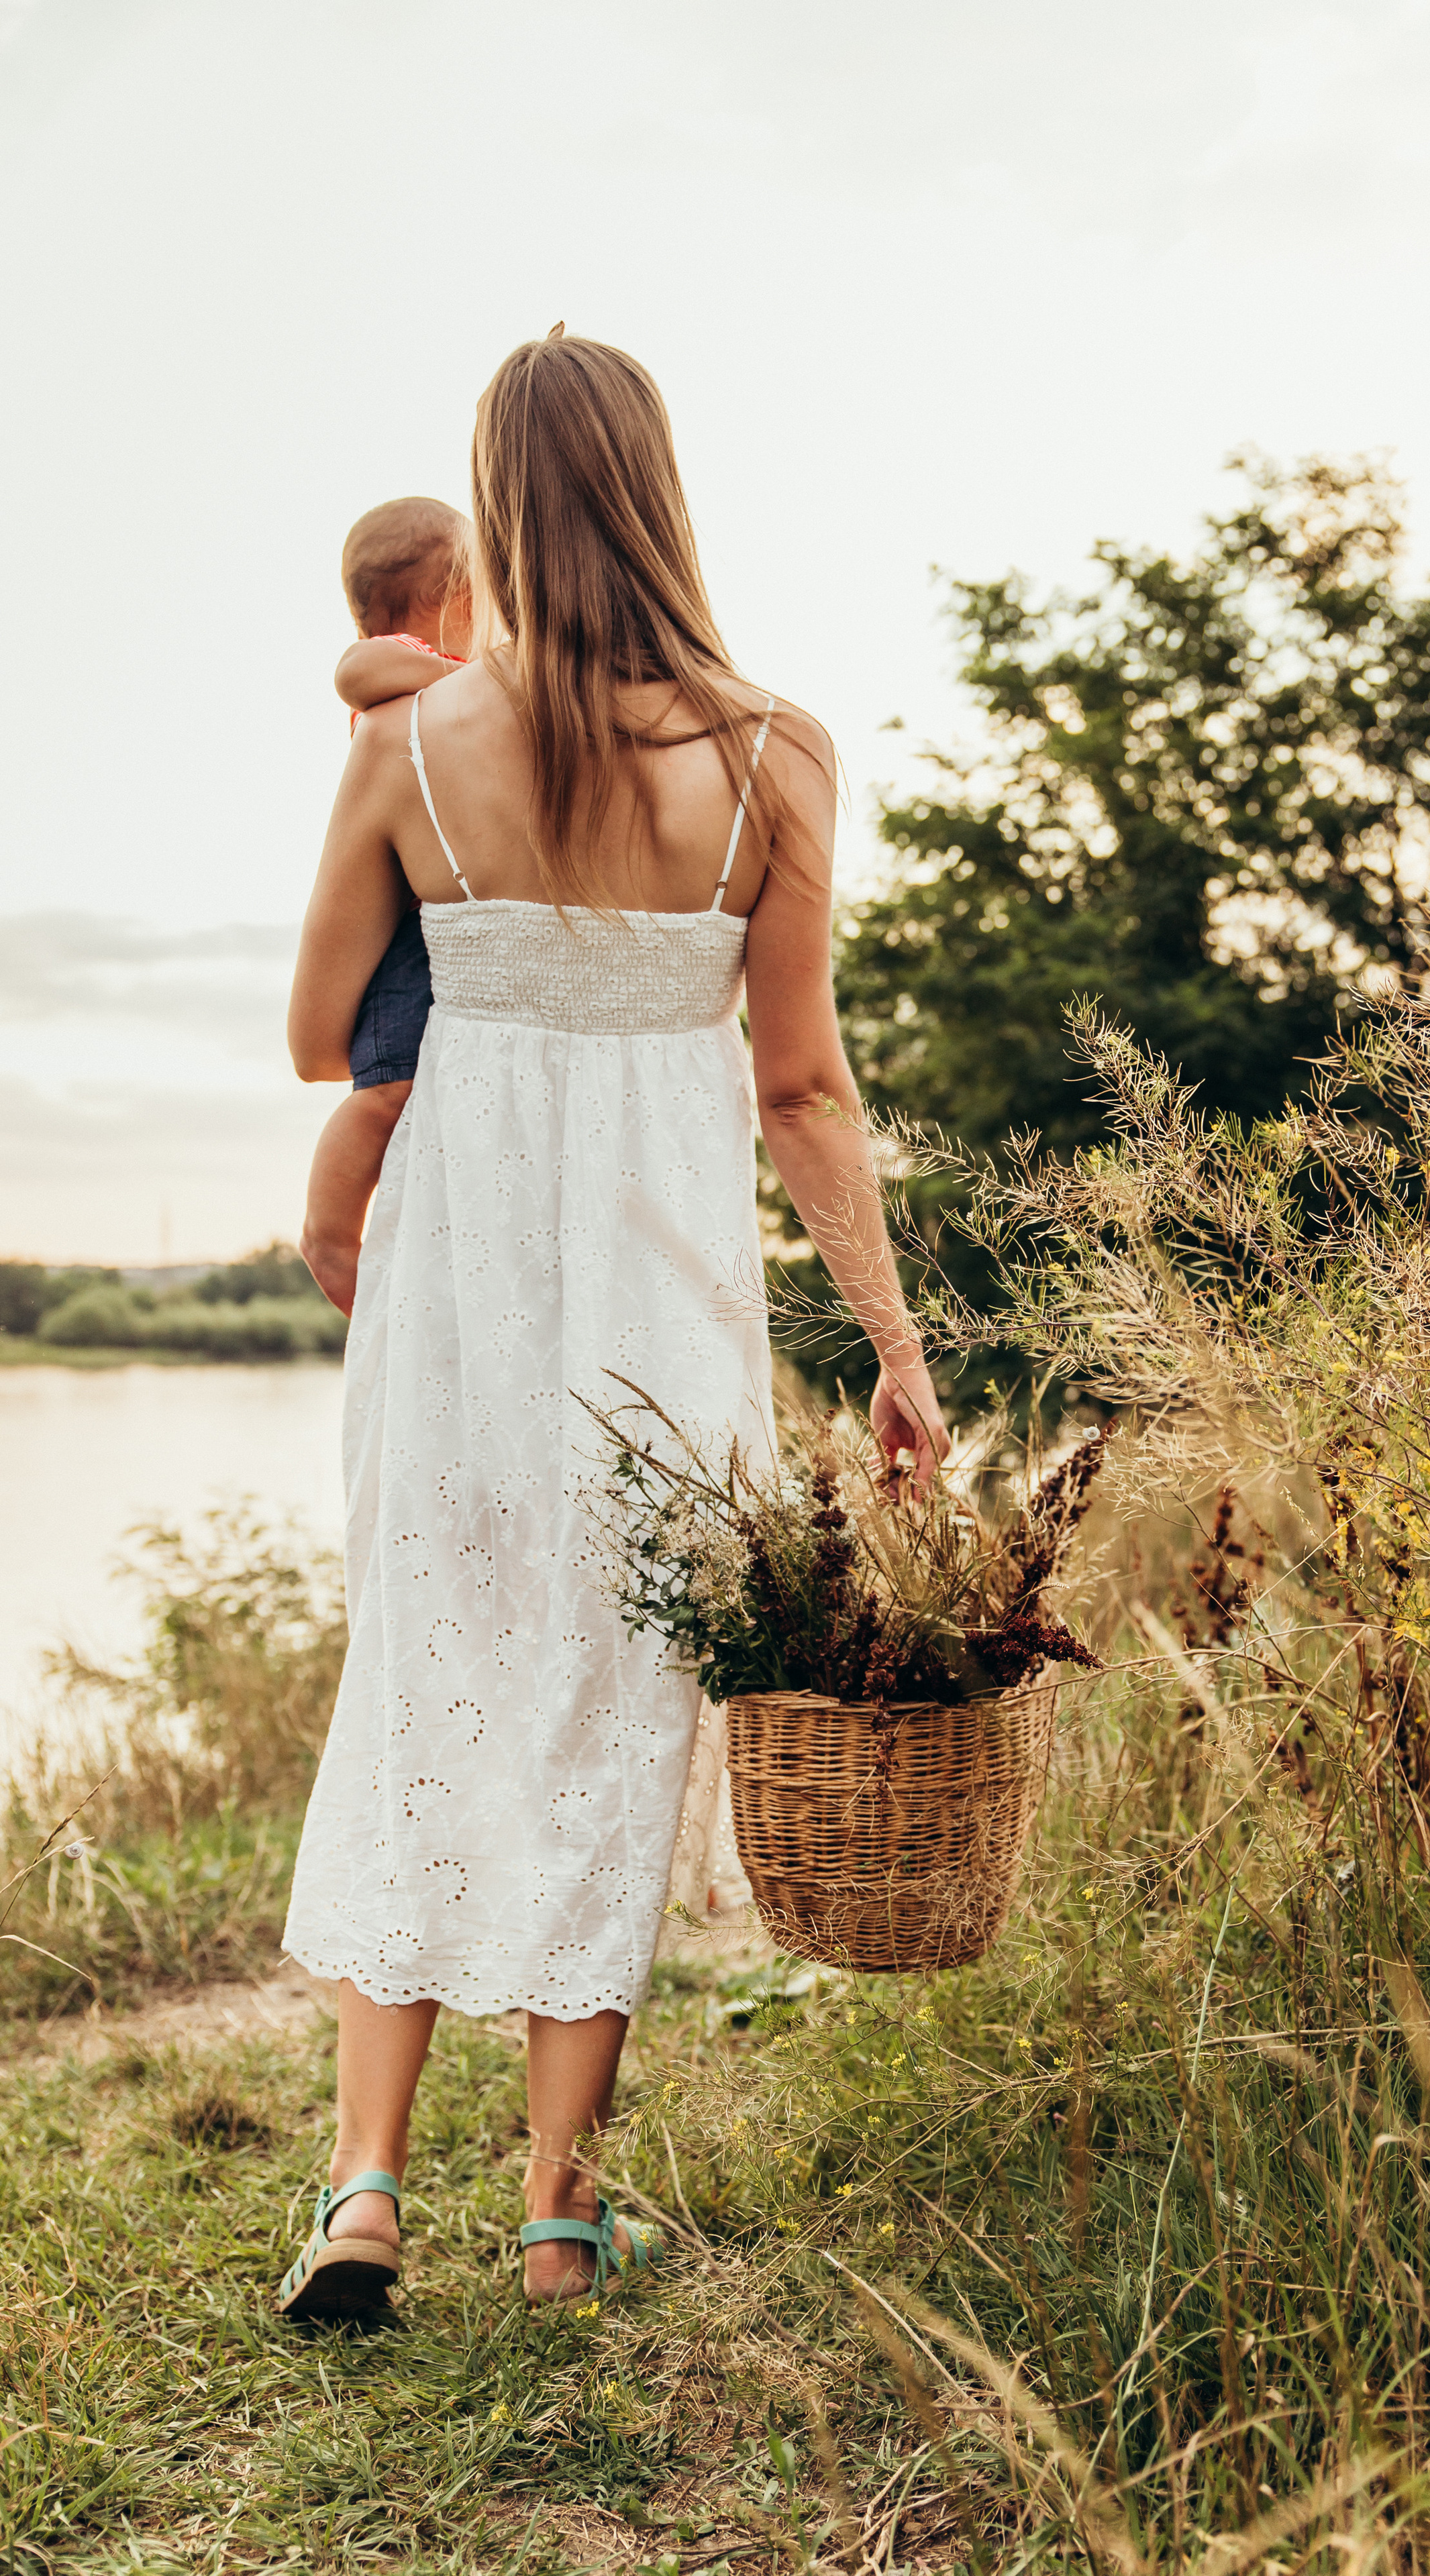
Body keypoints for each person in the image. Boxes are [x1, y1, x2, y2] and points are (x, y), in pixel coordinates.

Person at [277, 329, 949, 2320]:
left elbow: (319, 1032)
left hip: (457, 1276)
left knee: (424, 1667)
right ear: (659, 490)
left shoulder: (411, 746)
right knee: (611, 1698)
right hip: (663, 1294)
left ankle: (364, 2190)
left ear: (495, 506)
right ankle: (558, 2210)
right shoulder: (776, 755)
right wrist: (894, 1345)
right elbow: (803, 1087)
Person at [299, 498, 472, 1318]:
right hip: (406, 928)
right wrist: (467, 681)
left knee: (430, 1089)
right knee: (388, 1088)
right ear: (460, 593)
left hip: (452, 916)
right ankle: (331, 1235)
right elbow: (354, 673)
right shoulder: (403, 665)